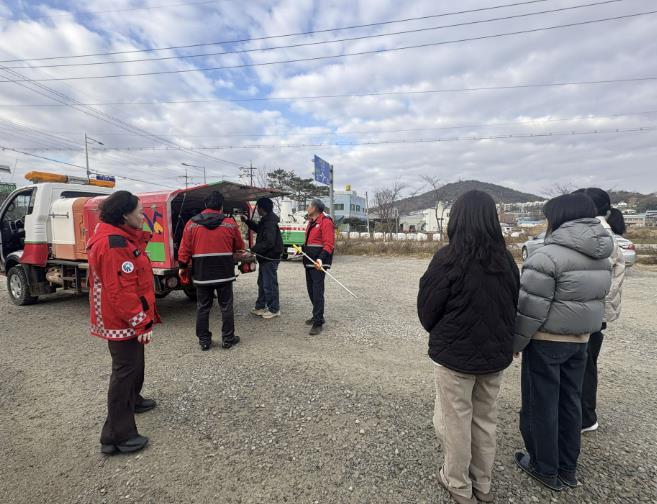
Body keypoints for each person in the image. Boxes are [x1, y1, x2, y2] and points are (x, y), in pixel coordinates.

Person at [417, 190, 520, 504]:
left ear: (457, 219)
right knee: (485, 420)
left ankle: (458, 484)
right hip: (495, 357)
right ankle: (482, 484)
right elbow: (512, 307)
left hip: (455, 358)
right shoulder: (506, 261)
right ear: (492, 220)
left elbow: (427, 311)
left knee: (454, 422)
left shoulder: (448, 258)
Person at [513, 193, 613, 491]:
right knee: (570, 404)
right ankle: (568, 468)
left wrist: (516, 343)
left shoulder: (546, 257)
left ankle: (544, 467)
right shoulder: (602, 256)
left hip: (546, 342)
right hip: (580, 341)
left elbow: (530, 309)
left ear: (558, 218)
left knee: (542, 405)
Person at [87, 190, 159, 455]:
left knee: (134, 363)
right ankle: (116, 435)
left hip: (124, 316)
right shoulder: (114, 244)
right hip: (120, 319)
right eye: (140, 211)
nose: (143, 216)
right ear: (124, 214)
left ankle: (133, 400)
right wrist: (140, 322)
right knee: (124, 371)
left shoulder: (122, 239)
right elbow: (120, 290)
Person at [574, 188, 626, 433]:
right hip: (596, 311)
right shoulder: (604, 234)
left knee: (583, 364)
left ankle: (585, 416)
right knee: (587, 363)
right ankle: (584, 414)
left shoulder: (596, 236)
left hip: (589, 311)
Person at [178, 191, 245, 351]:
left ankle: (204, 341)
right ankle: (228, 339)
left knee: (203, 307)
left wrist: (182, 266)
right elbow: (239, 246)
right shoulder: (229, 223)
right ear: (221, 206)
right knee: (226, 306)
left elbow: (184, 249)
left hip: (202, 273)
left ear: (205, 205)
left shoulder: (191, 224)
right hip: (224, 272)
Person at [243, 198, 284, 319]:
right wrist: (247, 222)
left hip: (270, 257)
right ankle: (260, 306)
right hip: (265, 257)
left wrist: (253, 249)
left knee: (269, 284)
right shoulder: (266, 220)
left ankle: (274, 309)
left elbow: (269, 242)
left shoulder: (269, 222)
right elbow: (259, 230)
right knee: (262, 283)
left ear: (261, 208)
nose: (257, 210)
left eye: (258, 208)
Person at [302, 198, 335, 336]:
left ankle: (318, 322)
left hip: (319, 263)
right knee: (311, 291)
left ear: (315, 208)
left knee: (317, 292)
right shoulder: (311, 221)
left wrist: (321, 258)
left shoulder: (326, 222)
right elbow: (310, 241)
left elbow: (329, 244)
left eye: (309, 206)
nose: (307, 208)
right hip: (309, 262)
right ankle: (317, 314)